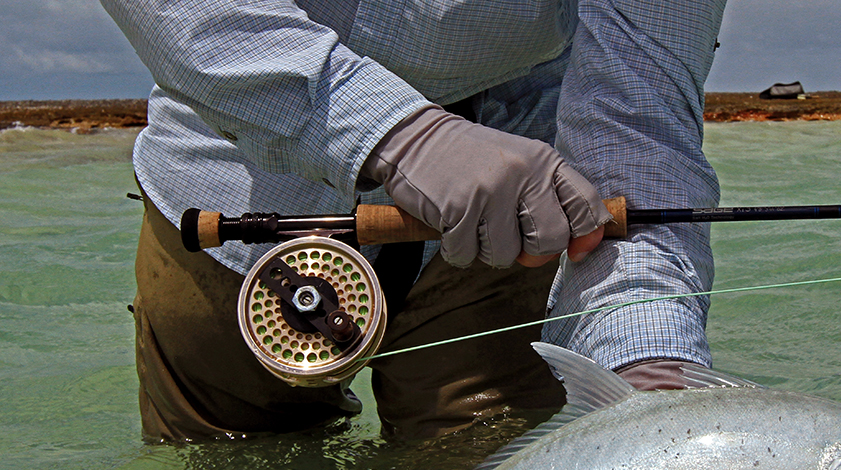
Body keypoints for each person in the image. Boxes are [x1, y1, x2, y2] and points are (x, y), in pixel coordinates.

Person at [100, 0, 727, 441]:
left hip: (510, 231)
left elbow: (639, 124)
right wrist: (398, 135)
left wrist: (646, 367)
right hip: (233, 206)